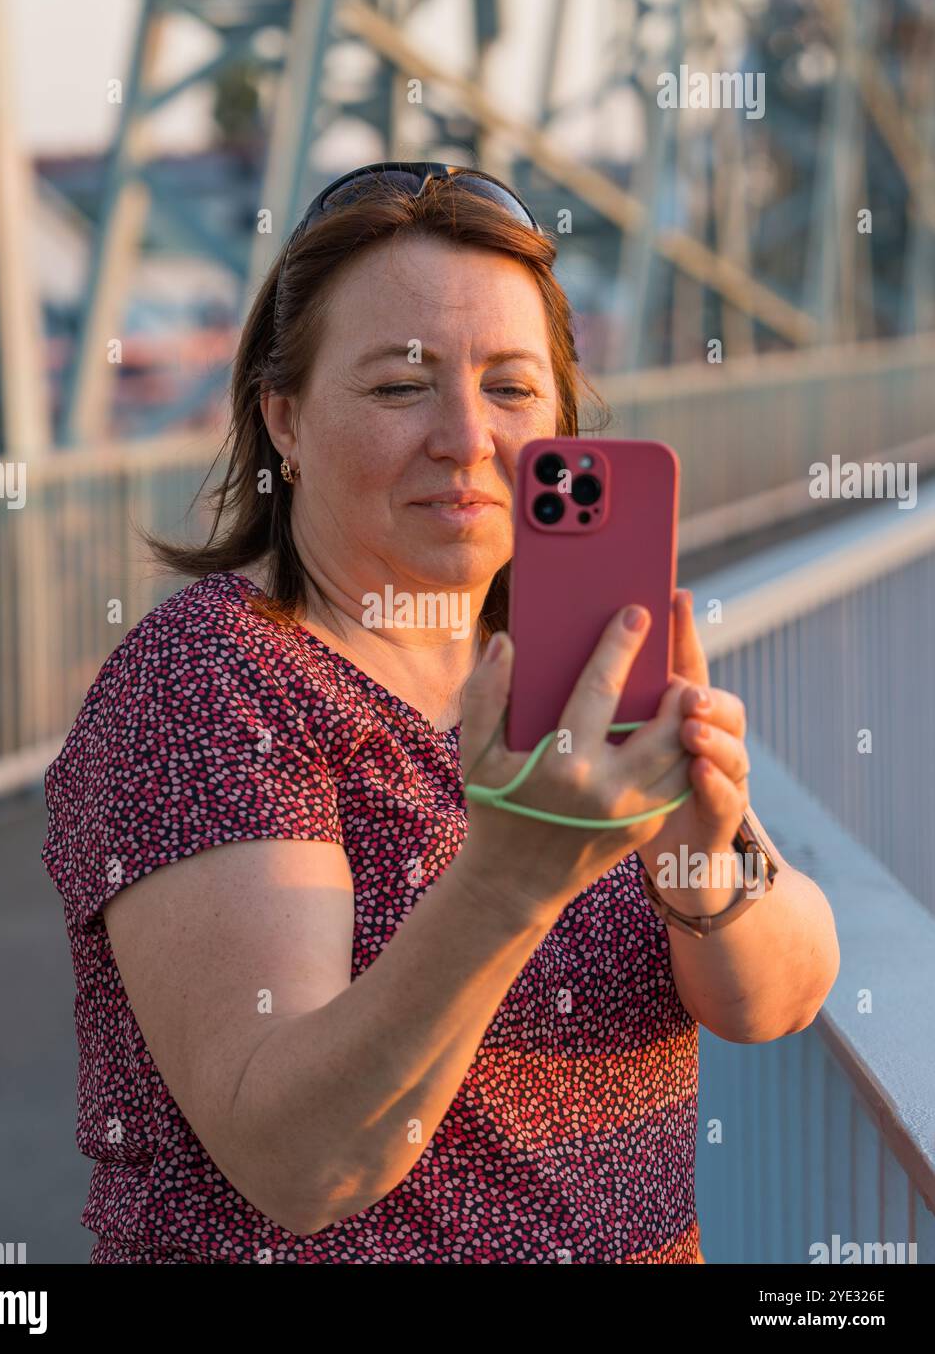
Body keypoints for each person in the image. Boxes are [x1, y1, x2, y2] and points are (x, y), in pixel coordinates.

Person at [41, 163, 839, 1264]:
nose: (466, 438)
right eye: (398, 386)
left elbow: (777, 998)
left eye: (510, 388)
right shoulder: (211, 683)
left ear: (561, 419)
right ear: (286, 418)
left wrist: (700, 851)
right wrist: (514, 876)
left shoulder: (574, 668)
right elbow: (301, 1163)